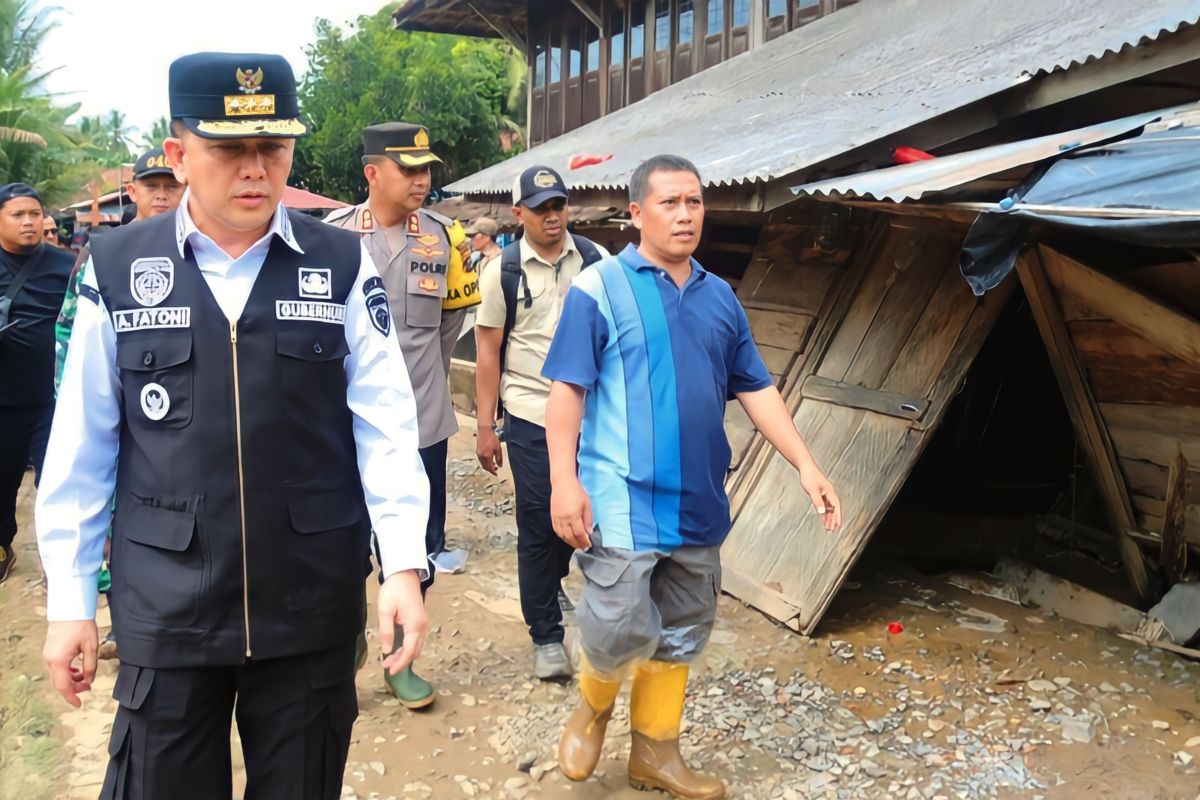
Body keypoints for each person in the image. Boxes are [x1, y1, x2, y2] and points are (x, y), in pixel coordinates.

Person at [35, 52, 430, 800]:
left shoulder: (341, 264)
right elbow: (82, 447)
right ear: (180, 155)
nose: (256, 170)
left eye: (272, 149)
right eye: (229, 149)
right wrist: (70, 603)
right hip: (168, 598)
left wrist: (403, 565)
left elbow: (385, 425)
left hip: (307, 596)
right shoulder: (117, 267)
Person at [543, 155, 842, 799]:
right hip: (621, 495)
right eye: (670, 203)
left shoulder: (720, 297)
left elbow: (756, 387)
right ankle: (592, 709)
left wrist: (806, 464)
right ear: (636, 212)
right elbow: (566, 391)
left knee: (681, 630)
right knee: (621, 621)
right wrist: (564, 483)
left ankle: (655, 752)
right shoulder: (599, 290)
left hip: (698, 498)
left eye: (695, 202)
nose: (685, 215)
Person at [325, 121, 470, 710]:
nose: (421, 180)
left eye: (426, 169)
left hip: (421, 422)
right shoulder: (331, 239)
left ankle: (400, 659)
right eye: (407, 169)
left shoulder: (444, 238)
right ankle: (349, 639)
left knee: (419, 545)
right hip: (342, 425)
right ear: (372, 173)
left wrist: (423, 388)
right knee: (341, 540)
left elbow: (450, 328)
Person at [474, 166, 608, 680]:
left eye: (559, 205)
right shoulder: (502, 271)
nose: (553, 216)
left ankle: (549, 581)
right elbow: (488, 353)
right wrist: (487, 426)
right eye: (541, 207)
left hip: (588, 416)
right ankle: (546, 637)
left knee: (578, 517)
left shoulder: (597, 262)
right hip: (529, 412)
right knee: (537, 520)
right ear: (519, 213)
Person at [53, 146, 185, 661]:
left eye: (167, 185)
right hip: (119, 413)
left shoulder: (201, 250)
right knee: (112, 517)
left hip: (173, 424)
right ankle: (116, 616)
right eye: (150, 185)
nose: (160, 194)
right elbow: (69, 336)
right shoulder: (105, 254)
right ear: (132, 192)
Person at [0, 183, 73, 584]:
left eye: (33, 214)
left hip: (53, 399)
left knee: (56, 482)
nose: (28, 222)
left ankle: (60, 563)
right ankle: (2, 546)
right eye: (17, 215)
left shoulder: (67, 265)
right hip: (3, 399)